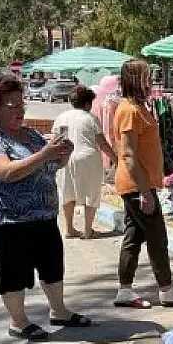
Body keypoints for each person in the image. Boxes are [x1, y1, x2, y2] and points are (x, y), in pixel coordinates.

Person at [0, 73, 91, 341]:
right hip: (9, 217)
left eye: (21, 103)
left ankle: (59, 311)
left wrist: (63, 154)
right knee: (14, 270)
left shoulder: (33, 135)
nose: (19, 109)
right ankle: (19, 321)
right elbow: (5, 172)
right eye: (11, 105)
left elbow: (50, 166)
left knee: (52, 265)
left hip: (44, 213)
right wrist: (44, 154)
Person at [112, 59, 173, 309]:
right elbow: (128, 154)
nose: (151, 82)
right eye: (147, 77)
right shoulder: (129, 110)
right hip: (137, 186)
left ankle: (125, 289)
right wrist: (145, 192)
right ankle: (166, 289)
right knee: (157, 237)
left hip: (141, 184)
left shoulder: (141, 107)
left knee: (134, 236)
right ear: (136, 80)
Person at [53, 85, 117, 239]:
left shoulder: (62, 117)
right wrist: (115, 159)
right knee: (91, 193)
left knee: (68, 192)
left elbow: (57, 139)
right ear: (88, 104)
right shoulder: (90, 118)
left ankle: (69, 229)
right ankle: (88, 230)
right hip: (88, 158)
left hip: (67, 157)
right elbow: (102, 143)